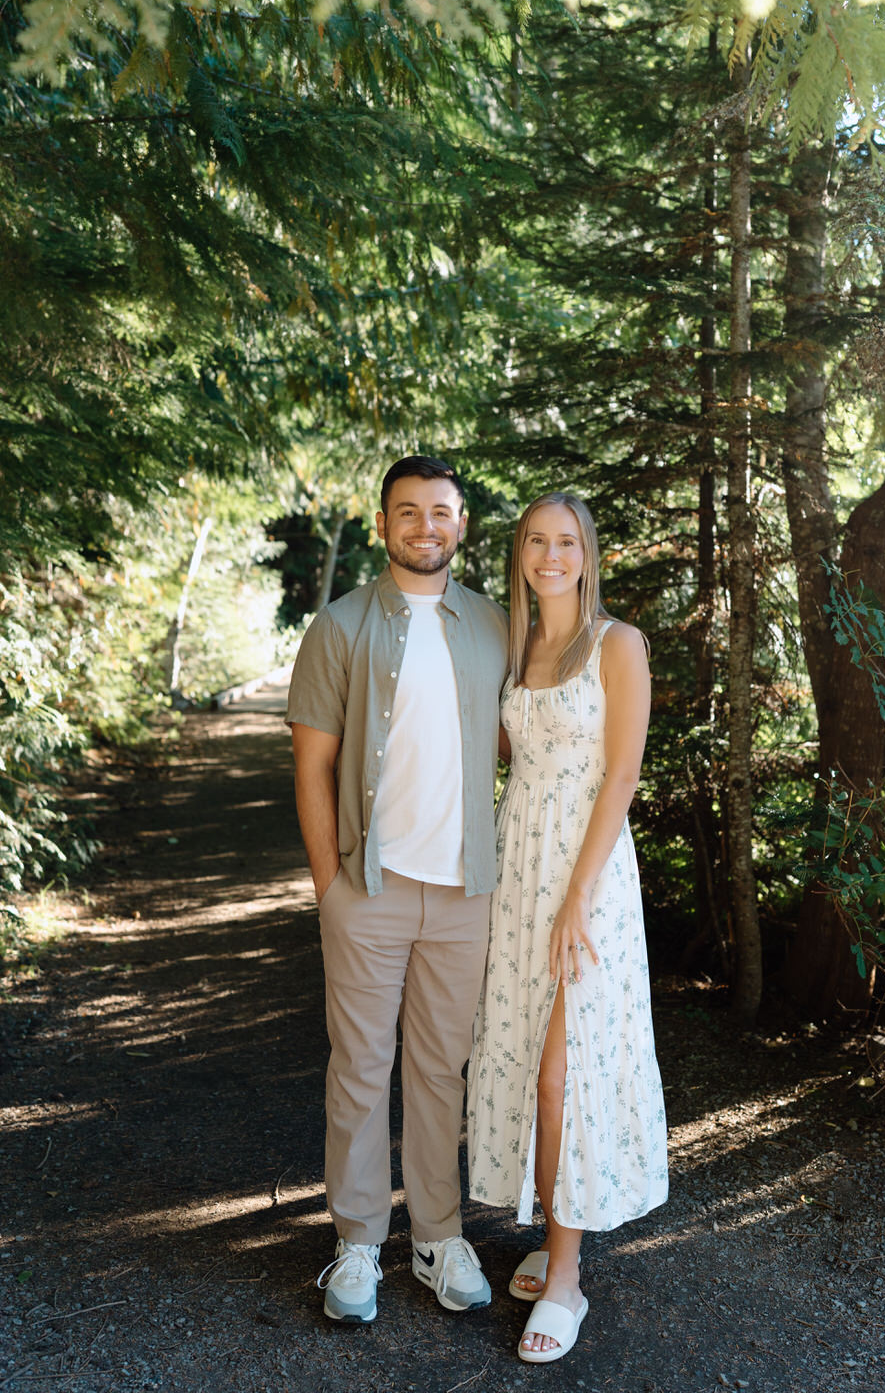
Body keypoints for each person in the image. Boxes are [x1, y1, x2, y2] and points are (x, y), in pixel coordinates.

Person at [286, 455, 508, 1323]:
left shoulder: (493, 624)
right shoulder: (339, 627)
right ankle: (356, 1244)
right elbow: (313, 768)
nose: (426, 527)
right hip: (369, 886)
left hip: (465, 893)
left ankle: (438, 1236)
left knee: (440, 1068)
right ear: (383, 524)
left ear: (462, 524)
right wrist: (328, 886)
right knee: (360, 1068)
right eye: (408, 512)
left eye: (441, 512)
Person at [466, 491, 668, 1363]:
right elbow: (510, 762)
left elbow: (620, 776)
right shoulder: (520, 647)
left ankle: (568, 1277)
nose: (550, 555)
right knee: (515, 1059)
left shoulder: (617, 645)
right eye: (536, 541)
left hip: (589, 880)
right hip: (520, 867)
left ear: (589, 555)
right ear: (521, 555)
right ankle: (551, 1237)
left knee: (564, 1073)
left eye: (566, 542)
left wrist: (579, 896)